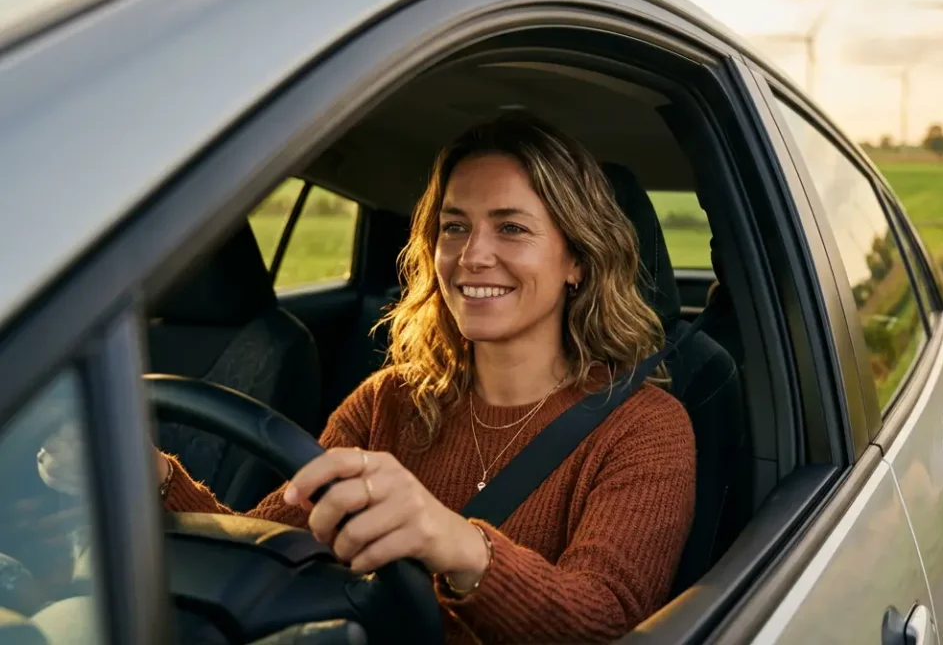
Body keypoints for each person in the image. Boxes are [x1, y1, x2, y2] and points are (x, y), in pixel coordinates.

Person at [156, 113, 698, 643]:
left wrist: (457, 544)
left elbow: (608, 621)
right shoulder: (387, 400)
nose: (472, 255)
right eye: (455, 227)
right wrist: (154, 480)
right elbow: (263, 549)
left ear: (576, 259)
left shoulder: (644, 427)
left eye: (511, 228)